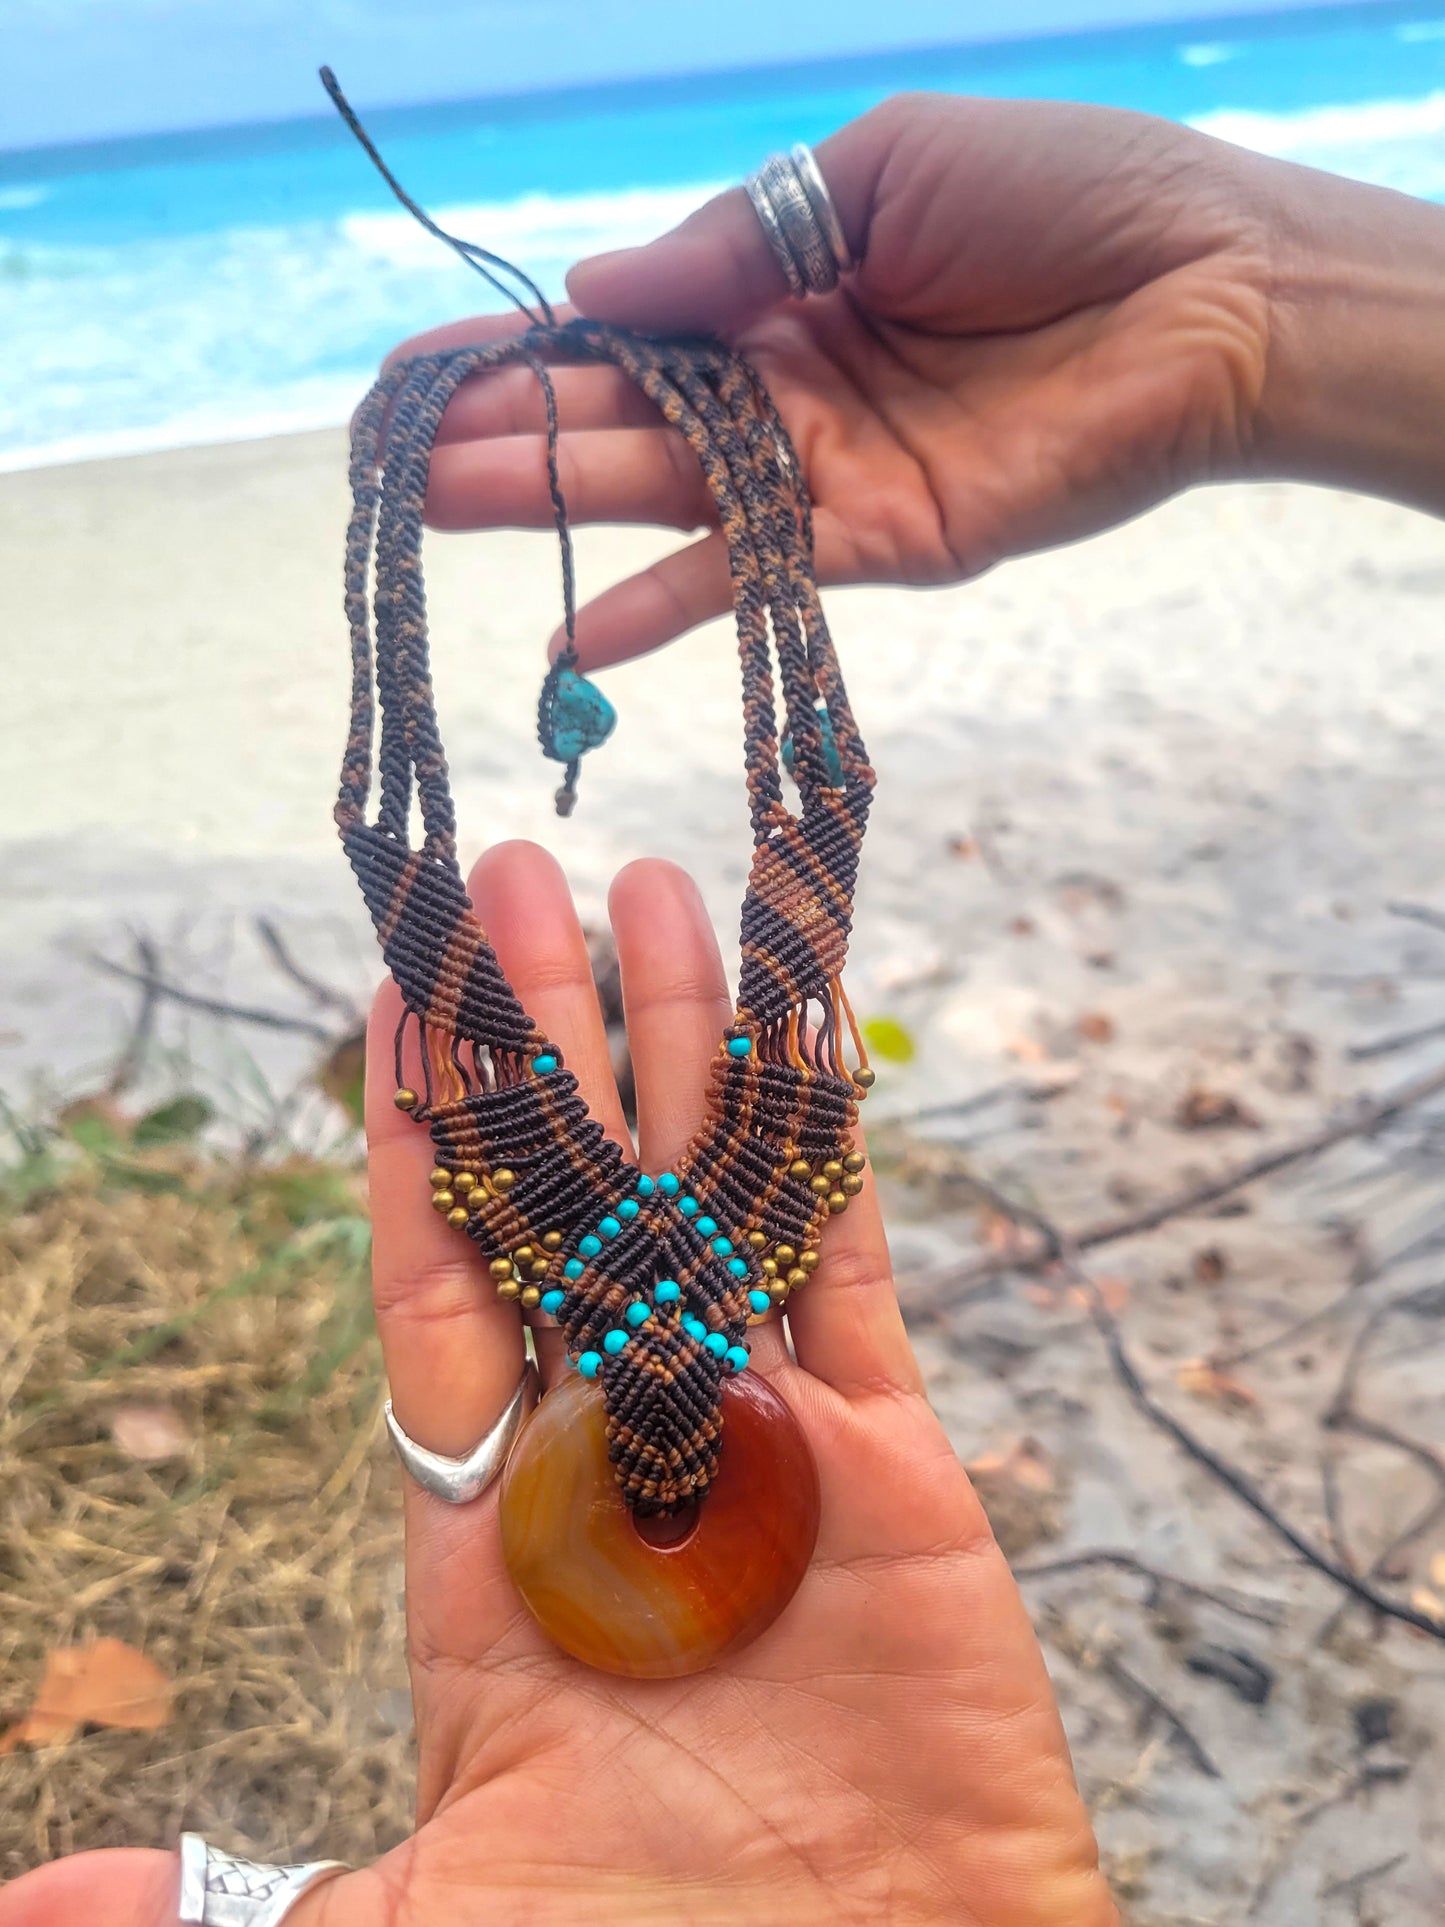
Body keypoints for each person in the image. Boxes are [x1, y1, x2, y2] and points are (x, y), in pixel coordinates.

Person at [7, 90, 1443, 1927]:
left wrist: (1258, 310)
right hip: (661, 1332)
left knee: (591, 824)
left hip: (651, 1333)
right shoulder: (704, 1216)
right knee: (710, 814)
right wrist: (1255, 306)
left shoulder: (645, 1237)